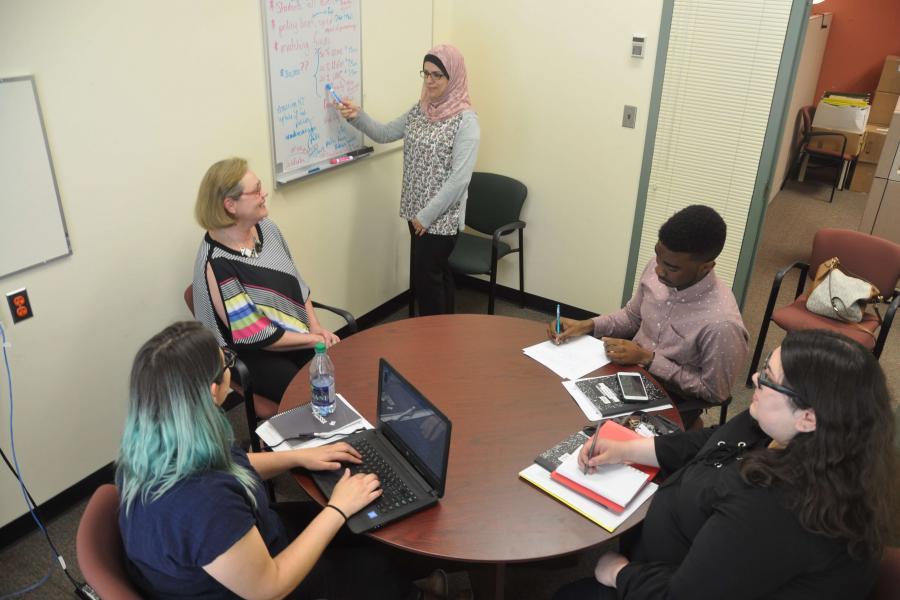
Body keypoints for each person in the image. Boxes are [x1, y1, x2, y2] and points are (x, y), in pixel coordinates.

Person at [553, 329, 896, 600]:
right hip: (684, 558)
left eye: (771, 379)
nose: (756, 379)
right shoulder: (784, 428)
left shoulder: (779, 508)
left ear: (808, 417)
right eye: (766, 366)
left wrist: (618, 573)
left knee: (569, 595)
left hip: (671, 584)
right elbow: (716, 440)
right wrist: (632, 449)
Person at [116, 321, 414, 599]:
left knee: (363, 524)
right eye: (227, 364)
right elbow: (270, 588)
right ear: (212, 392)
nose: (230, 369)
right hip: (260, 582)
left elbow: (235, 464)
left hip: (250, 542)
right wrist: (338, 508)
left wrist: (299, 456)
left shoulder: (154, 445)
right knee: (377, 569)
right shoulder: (205, 504)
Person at [549, 205, 749, 427]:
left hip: (672, 397)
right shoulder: (659, 267)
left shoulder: (722, 323)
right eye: (658, 256)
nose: (658, 270)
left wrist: (648, 359)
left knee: (593, 439)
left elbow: (715, 392)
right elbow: (632, 317)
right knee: (559, 401)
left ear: (705, 267)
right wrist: (587, 325)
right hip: (627, 371)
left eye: (671, 267)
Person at [338, 44, 480, 316]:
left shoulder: (466, 121)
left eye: (438, 75)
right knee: (436, 276)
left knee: (428, 281)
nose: (429, 81)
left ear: (454, 77)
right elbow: (385, 132)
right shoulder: (421, 110)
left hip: (439, 218)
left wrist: (425, 217)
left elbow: (459, 179)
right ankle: (445, 331)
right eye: (425, 73)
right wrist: (357, 117)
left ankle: (431, 341)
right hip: (415, 212)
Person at [192, 157, 341, 403]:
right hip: (248, 353)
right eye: (256, 191)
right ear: (230, 205)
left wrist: (314, 326)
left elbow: (297, 285)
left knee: (336, 372)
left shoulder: (266, 228)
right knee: (306, 393)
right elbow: (256, 335)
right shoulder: (217, 263)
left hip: (289, 334)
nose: (264, 195)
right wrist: (314, 340)